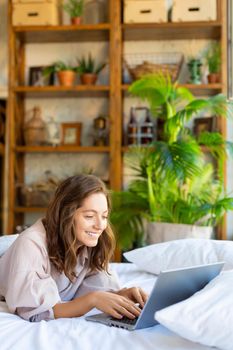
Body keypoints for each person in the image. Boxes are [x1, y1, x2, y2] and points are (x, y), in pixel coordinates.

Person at [0, 174, 147, 322]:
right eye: (89, 216)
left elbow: (94, 292)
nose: (100, 226)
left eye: (104, 216)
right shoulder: (31, 245)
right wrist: (93, 300)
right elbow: (35, 312)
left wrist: (120, 295)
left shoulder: (90, 242)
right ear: (65, 215)